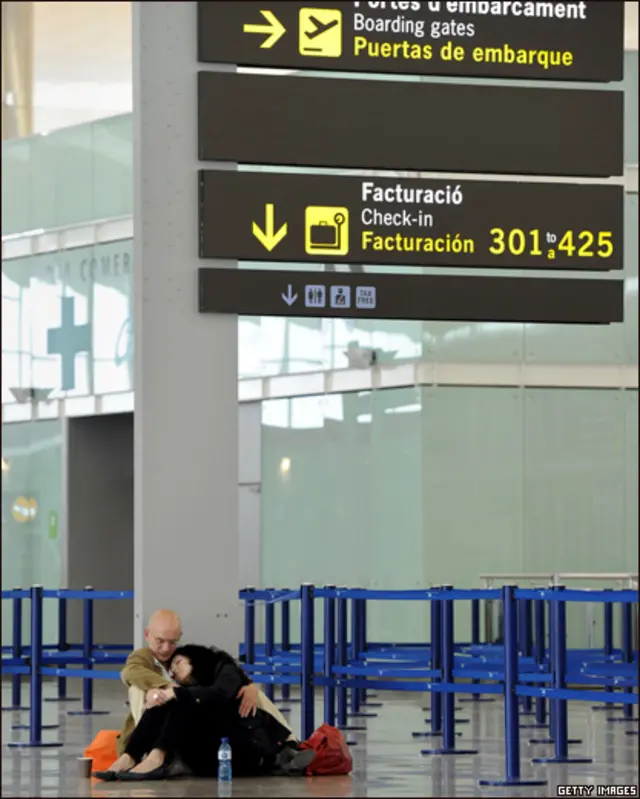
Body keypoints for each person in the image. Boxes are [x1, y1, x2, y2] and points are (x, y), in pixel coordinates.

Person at [96, 644, 314, 781]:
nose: (175, 672)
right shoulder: (194, 690)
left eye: (179, 663)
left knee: (180, 699)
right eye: (171, 670)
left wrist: (177, 694)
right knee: (163, 703)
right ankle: (129, 757)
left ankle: (157, 758)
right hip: (210, 752)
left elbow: (220, 694)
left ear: (195, 658)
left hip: (245, 750)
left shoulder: (224, 669)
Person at [115, 609, 259, 756]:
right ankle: (139, 753)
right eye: (160, 641)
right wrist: (167, 688)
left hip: (184, 732)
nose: (166, 649)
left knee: (246, 694)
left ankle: (280, 740)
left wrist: (250, 685)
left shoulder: (180, 656)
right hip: (149, 727)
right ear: (147, 634)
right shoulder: (142, 657)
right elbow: (129, 672)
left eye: (172, 642)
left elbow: (217, 669)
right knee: (138, 689)